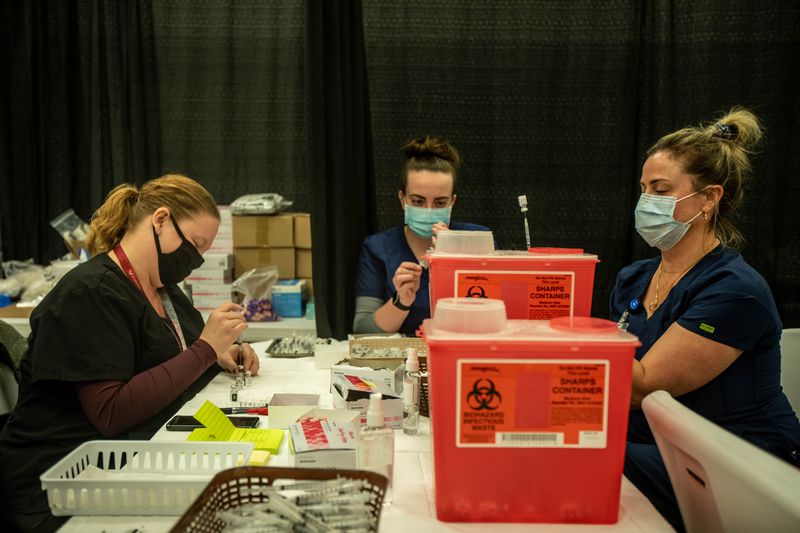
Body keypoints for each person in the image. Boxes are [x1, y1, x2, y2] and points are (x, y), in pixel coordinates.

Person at [0, 174, 260, 532]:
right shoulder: (91, 293)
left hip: (126, 463)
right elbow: (111, 411)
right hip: (60, 487)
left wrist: (221, 353)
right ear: (161, 220)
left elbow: (172, 355)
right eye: (195, 245)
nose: (197, 259)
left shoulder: (162, 288)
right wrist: (205, 349)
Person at [610, 108, 800, 531]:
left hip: (740, 461)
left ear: (709, 199)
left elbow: (639, 387)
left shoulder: (735, 291)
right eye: (643, 189)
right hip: (660, 445)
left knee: (588, 460)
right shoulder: (634, 278)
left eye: (660, 190)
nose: (646, 202)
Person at [354, 135, 490, 336]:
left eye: (440, 203)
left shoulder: (480, 241)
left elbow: (498, 320)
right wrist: (402, 301)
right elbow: (362, 331)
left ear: (452, 201)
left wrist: (457, 259)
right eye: (418, 201)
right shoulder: (378, 248)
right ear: (402, 199)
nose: (428, 210)